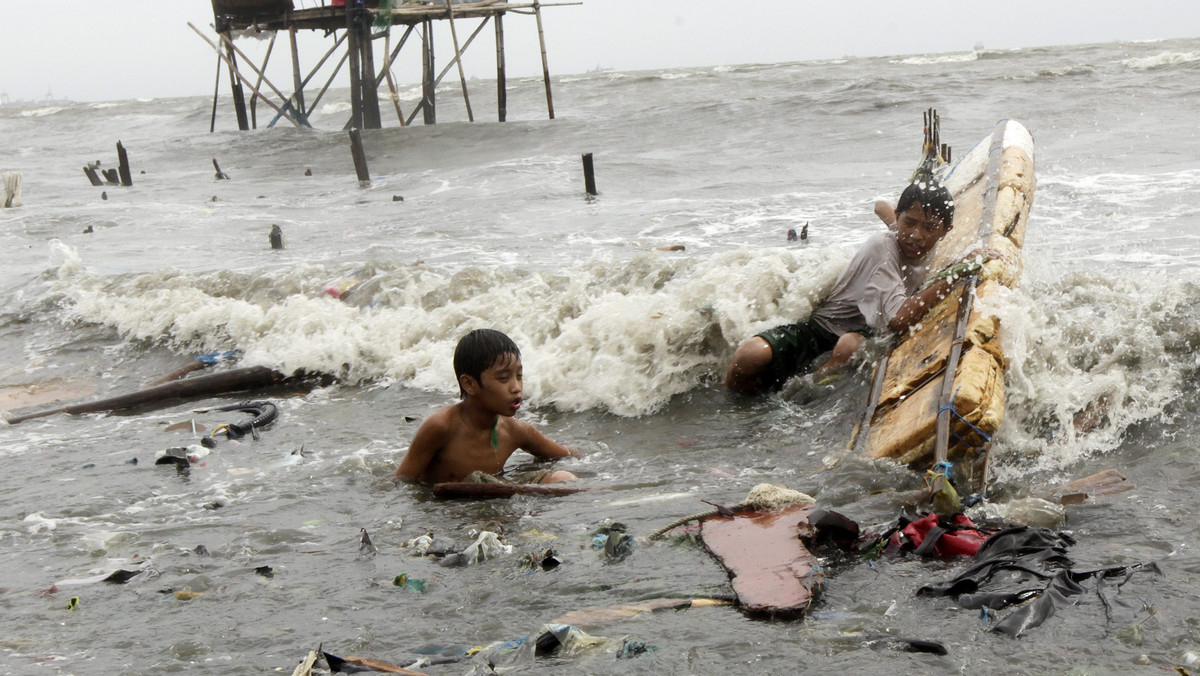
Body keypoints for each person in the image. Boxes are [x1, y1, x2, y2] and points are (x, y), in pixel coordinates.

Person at [726, 179, 989, 394]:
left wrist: (895, 219)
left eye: (929, 227)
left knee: (849, 345)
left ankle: (798, 396)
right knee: (749, 354)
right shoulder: (884, 247)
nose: (916, 236)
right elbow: (898, 320)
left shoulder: (912, 235)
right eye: (909, 223)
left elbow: (880, 206)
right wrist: (956, 273)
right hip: (821, 327)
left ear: (945, 231)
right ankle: (744, 406)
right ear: (899, 218)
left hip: (862, 330)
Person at [392, 329, 578, 484]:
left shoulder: (516, 431)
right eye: (503, 378)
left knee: (564, 478)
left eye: (519, 376)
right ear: (469, 384)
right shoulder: (441, 426)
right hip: (450, 511)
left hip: (495, 494)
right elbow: (401, 482)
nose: (516, 387)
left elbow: (565, 454)